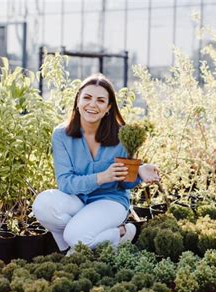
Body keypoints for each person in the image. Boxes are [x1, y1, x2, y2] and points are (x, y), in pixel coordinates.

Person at [32, 74, 160, 255]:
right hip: (77, 198)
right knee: (43, 204)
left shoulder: (122, 135)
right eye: (87, 97)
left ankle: (117, 233)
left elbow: (125, 183)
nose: (92, 104)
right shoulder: (61, 134)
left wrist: (139, 170)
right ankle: (70, 248)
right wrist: (102, 177)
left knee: (75, 235)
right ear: (77, 101)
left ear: (108, 107)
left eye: (100, 100)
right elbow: (65, 183)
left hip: (110, 201)